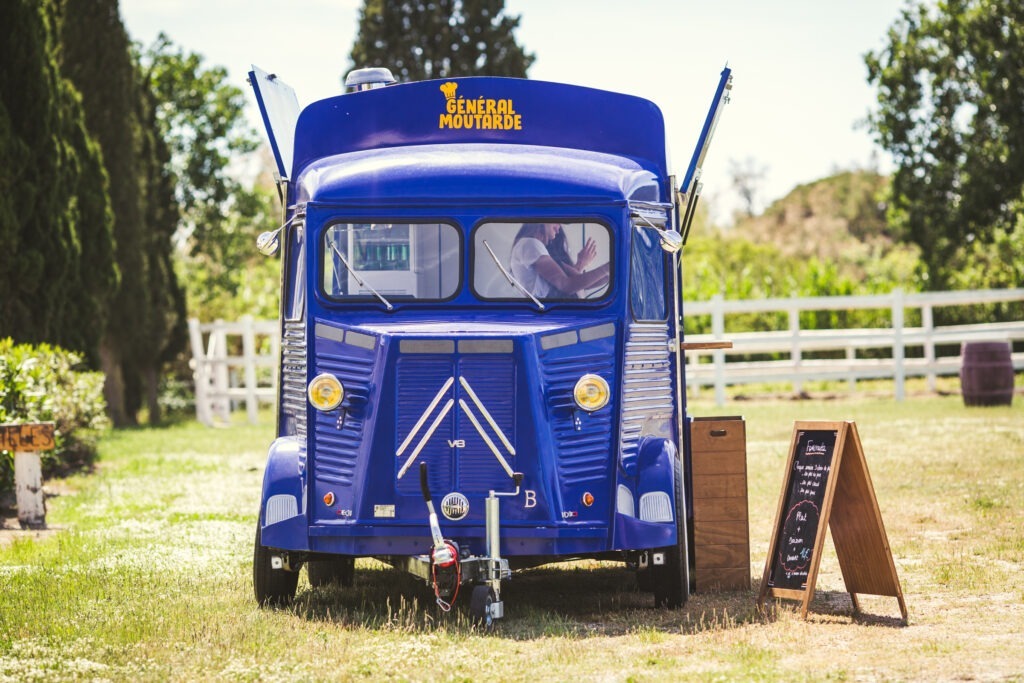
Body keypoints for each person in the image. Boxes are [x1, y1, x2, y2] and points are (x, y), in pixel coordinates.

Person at [510, 222, 609, 298]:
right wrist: (608, 268)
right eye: (557, 222)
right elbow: (566, 285)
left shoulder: (535, 247)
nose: (558, 229)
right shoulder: (530, 244)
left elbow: (582, 284)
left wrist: (611, 275)